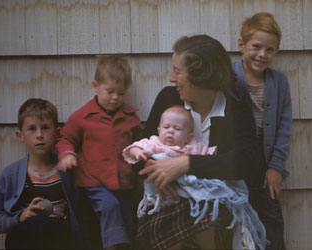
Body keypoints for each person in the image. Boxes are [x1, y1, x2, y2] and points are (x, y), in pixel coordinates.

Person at [134, 34, 261, 250]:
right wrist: (158, 171)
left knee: (205, 224)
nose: (171, 78)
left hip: (215, 207)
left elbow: (245, 163)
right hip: (167, 202)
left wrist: (185, 164)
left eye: (177, 71)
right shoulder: (169, 99)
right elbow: (142, 146)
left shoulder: (236, 112)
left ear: (200, 75)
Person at [56, 55, 143, 249]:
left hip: (124, 182)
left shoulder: (130, 116)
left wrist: (140, 151)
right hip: (94, 183)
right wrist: (67, 154)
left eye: (120, 93)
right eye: (110, 91)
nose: (114, 97)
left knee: (128, 219)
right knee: (109, 207)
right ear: (96, 86)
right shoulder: (83, 116)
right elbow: (65, 138)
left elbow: (140, 141)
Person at [0, 98, 84, 249]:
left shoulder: (68, 171)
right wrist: (21, 216)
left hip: (61, 238)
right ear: (20, 135)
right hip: (27, 237)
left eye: (45, 128)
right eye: (32, 129)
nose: (39, 135)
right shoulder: (9, 175)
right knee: (37, 223)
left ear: (57, 133)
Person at [233, 12, 292, 250]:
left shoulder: (279, 82)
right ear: (241, 44)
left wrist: (276, 166)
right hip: (236, 161)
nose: (262, 54)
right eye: (256, 47)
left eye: (270, 50)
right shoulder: (228, 78)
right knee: (238, 221)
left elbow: (284, 125)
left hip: (267, 163)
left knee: (271, 220)